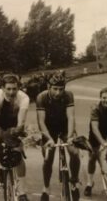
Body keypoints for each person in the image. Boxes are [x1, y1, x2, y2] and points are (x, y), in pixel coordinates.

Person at [36, 71, 80, 201]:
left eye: (61, 89)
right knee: (48, 158)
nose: (58, 92)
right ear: (48, 87)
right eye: (55, 89)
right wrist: (49, 139)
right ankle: (46, 187)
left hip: (65, 128)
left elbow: (71, 117)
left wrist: (71, 136)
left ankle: (74, 181)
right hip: (49, 129)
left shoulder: (68, 95)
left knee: (74, 152)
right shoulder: (41, 97)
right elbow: (41, 122)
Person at [0, 74, 30, 201]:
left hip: (14, 122)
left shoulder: (23, 98)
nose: (11, 92)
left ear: (18, 88)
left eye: (14, 89)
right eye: (8, 89)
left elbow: (21, 121)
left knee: (18, 154)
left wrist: (16, 132)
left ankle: (22, 192)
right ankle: (2, 166)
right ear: (3, 88)